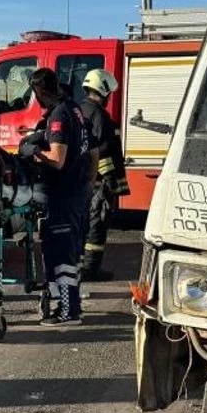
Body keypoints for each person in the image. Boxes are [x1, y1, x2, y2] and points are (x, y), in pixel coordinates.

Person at [19, 68, 90, 327]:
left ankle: (69, 313)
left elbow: (57, 160)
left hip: (62, 194)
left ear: (39, 92)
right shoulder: (74, 109)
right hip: (78, 192)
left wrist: (33, 151)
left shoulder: (59, 115)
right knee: (70, 253)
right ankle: (70, 306)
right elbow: (89, 152)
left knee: (60, 254)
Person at [77, 69, 130, 281]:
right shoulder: (98, 114)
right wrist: (109, 180)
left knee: (84, 224)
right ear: (103, 90)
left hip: (83, 180)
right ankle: (90, 269)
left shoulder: (80, 109)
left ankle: (80, 267)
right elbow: (101, 150)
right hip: (98, 182)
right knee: (97, 223)